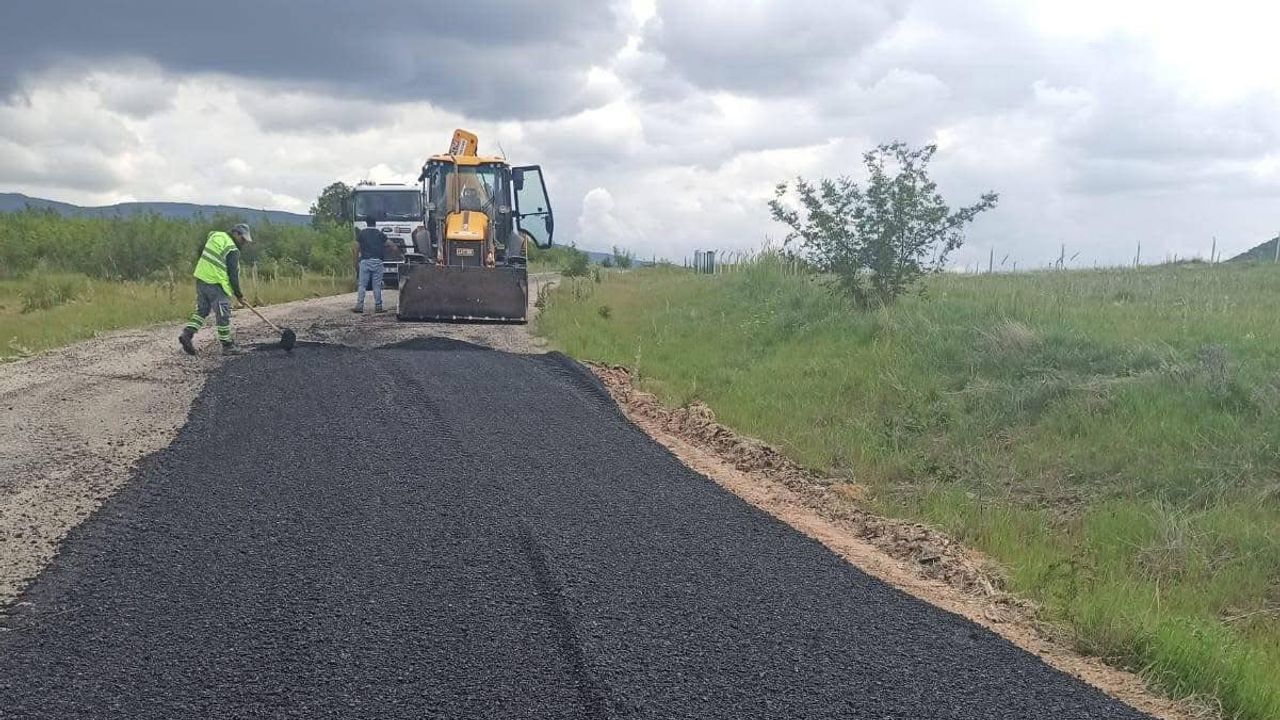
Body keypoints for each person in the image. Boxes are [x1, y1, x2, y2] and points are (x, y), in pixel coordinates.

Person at [179, 223, 252, 356]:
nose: (244, 243)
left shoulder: (216, 236)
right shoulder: (232, 249)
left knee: (202, 310)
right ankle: (227, 346)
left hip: (201, 279)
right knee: (223, 313)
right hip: (216, 283)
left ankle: (187, 334)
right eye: (243, 239)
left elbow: (202, 250)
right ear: (236, 234)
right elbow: (233, 275)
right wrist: (239, 295)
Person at [353, 216, 387, 313]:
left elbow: (356, 248)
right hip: (378, 262)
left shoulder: (362, 234)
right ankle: (378, 306)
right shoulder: (380, 234)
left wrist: (355, 262)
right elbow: (390, 244)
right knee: (377, 285)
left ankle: (359, 306)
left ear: (366, 223)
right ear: (375, 223)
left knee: (362, 285)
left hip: (365, 262)